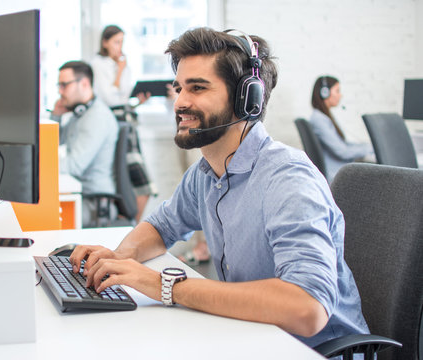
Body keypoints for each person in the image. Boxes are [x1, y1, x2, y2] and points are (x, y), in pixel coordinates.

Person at [69, 28, 369, 349]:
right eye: (179, 88)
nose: (180, 102)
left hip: (313, 350)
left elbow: (307, 308)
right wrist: (117, 259)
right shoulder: (205, 172)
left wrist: (164, 285)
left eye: (197, 88)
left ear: (247, 99)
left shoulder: (288, 178)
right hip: (252, 337)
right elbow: (161, 226)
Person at [90, 25, 157, 222]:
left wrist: (137, 102)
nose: (120, 47)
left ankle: (131, 227)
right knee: (127, 176)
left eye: (122, 42)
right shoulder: (98, 64)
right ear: (105, 42)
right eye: (116, 42)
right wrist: (119, 71)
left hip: (128, 121)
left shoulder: (123, 64)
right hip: (114, 122)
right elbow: (110, 97)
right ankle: (129, 227)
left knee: (136, 180)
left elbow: (124, 97)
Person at [50, 61, 119, 227]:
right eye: (59, 85)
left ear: (85, 83)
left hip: (94, 202)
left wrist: (39, 169)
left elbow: (74, 166)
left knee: (44, 217)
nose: (60, 91)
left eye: (64, 85)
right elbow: (56, 143)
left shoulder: (97, 117)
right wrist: (56, 117)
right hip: (79, 194)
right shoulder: (79, 114)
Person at [309, 76, 374, 182]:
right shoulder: (319, 119)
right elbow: (342, 151)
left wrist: (367, 146)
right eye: (337, 91)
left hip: (338, 171)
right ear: (325, 93)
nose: (340, 95)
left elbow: (343, 144)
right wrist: (370, 149)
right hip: (337, 175)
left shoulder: (322, 117)